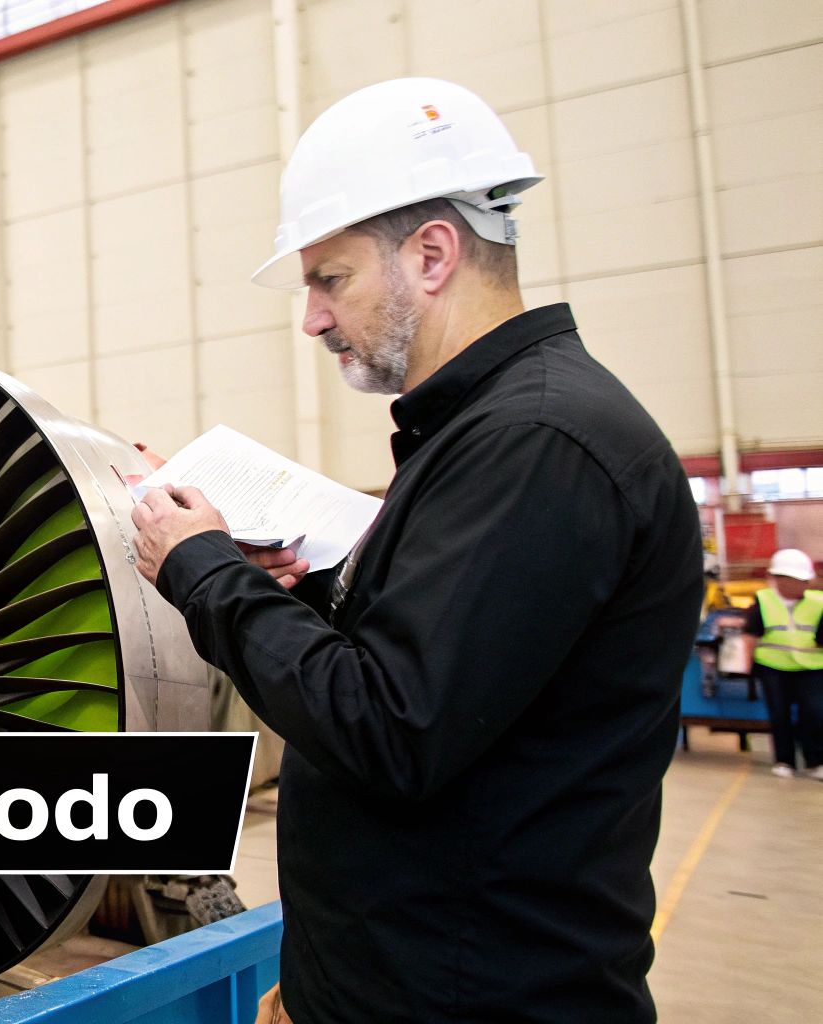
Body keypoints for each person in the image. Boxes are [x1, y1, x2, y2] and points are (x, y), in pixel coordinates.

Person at [128, 78, 703, 1022]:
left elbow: (388, 727)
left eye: (331, 279)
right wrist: (285, 583)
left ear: (432, 255)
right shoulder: (483, 435)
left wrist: (204, 571)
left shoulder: (539, 446)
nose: (313, 317)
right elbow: (435, 667)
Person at [741, 548, 823, 779]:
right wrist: (747, 666)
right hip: (773, 667)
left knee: (815, 712)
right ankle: (784, 760)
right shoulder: (764, 601)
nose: (801, 585)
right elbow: (750, 635)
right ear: (778, 579)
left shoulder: (818, 602)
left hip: (812, 667)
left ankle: (816, 760)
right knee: (779, 714)